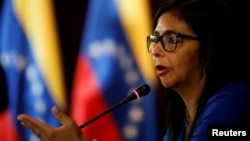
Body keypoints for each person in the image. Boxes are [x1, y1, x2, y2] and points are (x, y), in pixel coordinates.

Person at [17, 0, 250, 141]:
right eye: (155, 39)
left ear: (208, 47)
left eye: (171, 39)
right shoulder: (182, 120)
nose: (156, 50)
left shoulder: (231, 103)